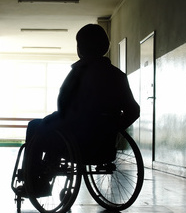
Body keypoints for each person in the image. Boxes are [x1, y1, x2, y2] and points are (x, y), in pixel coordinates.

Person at [25, 24, 140, 164]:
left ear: (80, 49)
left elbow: (63, 108)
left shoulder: (77, 74)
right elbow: (133, 110)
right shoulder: (118, 76)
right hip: (103, 148)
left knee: (35, 125)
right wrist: (112, 128)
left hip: (73, 145)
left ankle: (33, 178)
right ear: (106, 46)